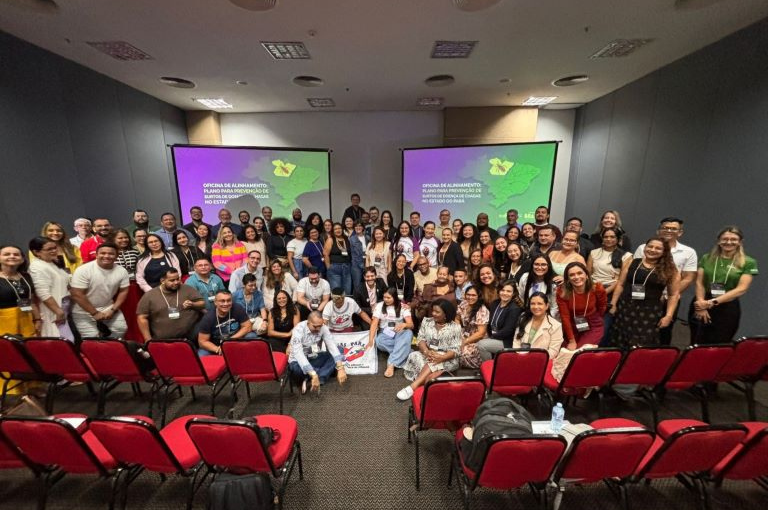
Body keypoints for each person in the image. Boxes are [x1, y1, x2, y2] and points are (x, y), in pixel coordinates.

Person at [634, 217, 698, 345]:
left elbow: (688, 278)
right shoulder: (644, 248)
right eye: (665, 228)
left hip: (669, 300)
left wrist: (667, 295)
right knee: (637, 328)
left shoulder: (689, 252)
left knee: (664, 330)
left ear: (680, 232)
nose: (668, 230)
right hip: (642, 297)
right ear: (659, 231)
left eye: (673, 229)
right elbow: (635, 271)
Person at [690, 226, 758, 345]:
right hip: (702, 303)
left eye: (733, 239)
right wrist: (701, 304)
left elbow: (741, 289)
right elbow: (699, 282)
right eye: (725, 239)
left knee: (720, 343)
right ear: (719, 241)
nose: (728, 242)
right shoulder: (707, 258)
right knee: (697, 342)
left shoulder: (748, 262)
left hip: (727, 306)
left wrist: (712, 302)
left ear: (740, 242)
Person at [610, 238, 680, 349]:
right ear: (645, 247)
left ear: (664, 251)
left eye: (658, 248)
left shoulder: (670, 269)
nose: (652, 250)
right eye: (650, 246)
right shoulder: (631, 261)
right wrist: (613, 303)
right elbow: (620, 284)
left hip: (648, 312)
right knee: (620, 339)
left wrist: (668, 315)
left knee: (642, 343)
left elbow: (673, 295)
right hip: (625, 307)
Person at [398, 299, 462, 400]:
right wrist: (426, 351)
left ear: (446, 314)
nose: (433, 313)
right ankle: (434, 380)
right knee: (414, 355)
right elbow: (420, 339)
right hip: (428, 353)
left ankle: (412, 387)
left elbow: (456, 349)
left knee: (433, 363)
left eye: (437, 312)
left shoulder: (455, 327)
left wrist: (442, 357)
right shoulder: (426, 321)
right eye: (433, 311)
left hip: (447, 358)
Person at [69, 243, 130, 339]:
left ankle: (108, 349)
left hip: (108, 307)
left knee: (120, 329)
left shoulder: (122, 271)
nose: (106, 256)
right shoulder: (83, 270)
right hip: (83, 310)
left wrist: (113, 310)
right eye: (103, 253)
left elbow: (123, 291)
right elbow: (77, 294)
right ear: (96, 255)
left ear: (116, 256)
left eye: (111, 254)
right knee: (91, 337)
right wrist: (95, 313)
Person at [587, 227, 632, 345]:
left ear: (618, 239)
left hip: (611, 292)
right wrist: (592, 289)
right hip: (592, 289)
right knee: (588, 323)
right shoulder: (594, 252)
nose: (608, 239)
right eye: (606, 236)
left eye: (612, 237)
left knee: (604, 327)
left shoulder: (626, 256)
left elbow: (621, 280)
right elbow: (587, 273)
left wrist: (604, 292)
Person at [136, 267, 205, 342]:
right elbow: (142, 317)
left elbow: (202, 303)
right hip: (163, 341)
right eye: (172, 280)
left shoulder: (187, 289)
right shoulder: (150, 295)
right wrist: (148, 339)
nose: (176, 282)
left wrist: (193, 304)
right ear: (162, 281)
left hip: (190, 338)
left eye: (177, 279)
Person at [288, 312, 347, 392]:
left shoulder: (323, 327)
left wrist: (340, 368)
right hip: (298, 362)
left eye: (320, 326)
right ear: (308, 322)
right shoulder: (298, 329)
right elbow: (299, 354)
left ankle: (318, 378)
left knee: (339, 349)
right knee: (295, 369)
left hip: (313, 357)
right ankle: (317, 375)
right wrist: (313, 374)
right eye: (315, 327)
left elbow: (332, 345)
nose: (318, 329)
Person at [362, 287, 412, 378]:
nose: (386, 300)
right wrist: (370, 340)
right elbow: (374, 324)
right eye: (384, 297)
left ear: (395, 297)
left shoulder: (403, 306)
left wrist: (404, 325)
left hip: (399, 333)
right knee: (378, 341)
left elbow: (411, 325)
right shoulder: (380, 306)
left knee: (408, 333)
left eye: (389, 298)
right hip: (385, 333)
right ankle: (405, 351)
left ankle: (391, 364)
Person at [28, 237, 72, 340]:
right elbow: (42, 292)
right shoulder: (37, 267)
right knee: (57, 341)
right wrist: (58, 311)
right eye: (49, 249)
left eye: (55, 248)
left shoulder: (52, 263)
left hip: (63, 307)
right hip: (52, 311)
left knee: (67, 341)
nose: (54, 251)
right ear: (36, 252)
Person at [556, 262, 608, 349]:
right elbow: (565, 317)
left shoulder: (597, 288)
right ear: (568, 279)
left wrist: (594, 318)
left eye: (579, 273)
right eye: (572, 275)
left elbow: (602, 307)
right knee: (565, 351)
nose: (576, 277)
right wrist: (571, 340)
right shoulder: (562, 292)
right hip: (572, 326)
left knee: (580, 351)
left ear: (587, 275)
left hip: (593, 325)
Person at [476, 279, 525, 361]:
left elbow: (508, 331)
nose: (505, 293)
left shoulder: (514, 308)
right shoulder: (495, 303)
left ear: (513, 294)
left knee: (482, 345)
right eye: (502, 290)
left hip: (506, 341)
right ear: (499, 291)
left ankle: (490, 368)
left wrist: (491, 337)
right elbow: (490, 324)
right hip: (494, 337)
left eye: (509, 291)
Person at [196, 290, 254, 356]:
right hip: (217, 345)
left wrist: (230, 340)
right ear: (215, 302)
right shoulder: (208, 318)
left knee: (252, 336)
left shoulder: (237, 308)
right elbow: (202, 342)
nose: (226, 304)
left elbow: (247, 327)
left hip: (236, 339)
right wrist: (218, 349)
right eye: (222, 301)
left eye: (228, 300)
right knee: (201, 354)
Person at [0, 245, 41, 337]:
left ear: (22, 259)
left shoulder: (26, 276)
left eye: (16, 254)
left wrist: (37, 319)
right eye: (6, 254)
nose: (12, 256)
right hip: (4, 323)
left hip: (25, 319)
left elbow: (31, 302)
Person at [512, 292, 564, 359]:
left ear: (547, 306)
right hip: (520, 359)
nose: (536, 307)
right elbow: (516, 342)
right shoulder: (523, 319)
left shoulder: (556, 326)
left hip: (542, 362)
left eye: (540, 304)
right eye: (533, 304)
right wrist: (520, 357)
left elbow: (553, 352)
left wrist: (533, 359)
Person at [112, 229, 143, 342]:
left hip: (134, 287)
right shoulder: (111, 253)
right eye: (120, 238)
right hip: (118, 289)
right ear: (113, 239)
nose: (124, 240)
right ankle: (126, 340)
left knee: (137, 313)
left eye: (125, 237)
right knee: (124, 314)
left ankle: (140, 338)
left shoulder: (134, 252)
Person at [517, 254, 560, 319]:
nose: (539, 267)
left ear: (548, 266)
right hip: (529, 315)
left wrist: (544, 319)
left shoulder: (553, 284)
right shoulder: (525, 278)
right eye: (536, 264)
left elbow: (554, 307)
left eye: (543, 265)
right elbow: (522, 297)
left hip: (548, 318)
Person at [456, 285, 489, 369]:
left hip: (476, 340)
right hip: (463, 334)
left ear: (479, 296)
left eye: (473, 295)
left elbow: (481, 333)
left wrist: (464, 342)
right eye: (468, 294)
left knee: (462, 353)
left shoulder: (482, 310)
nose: (470, 297)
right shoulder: (464, 303)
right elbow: (457, 318)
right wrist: (457, 332)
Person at [324, 222, 353, 295]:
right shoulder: (330, 240)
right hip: (335, 268)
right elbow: (325, 254)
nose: (338, 230)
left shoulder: (346, 239)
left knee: (347, 290)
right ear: (333, 231)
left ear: (342, 229)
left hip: (347, 267)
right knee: (336, 292)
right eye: (335, 229)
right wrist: (329, 267)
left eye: (339, 228)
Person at [348, 220, 368, 292]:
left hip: (367, 263)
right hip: (356, 265)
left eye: (360, 226)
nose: (358, 227)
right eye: (356, 226)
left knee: (367, 284)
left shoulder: (367, 238)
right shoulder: (351, 239)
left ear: (363, 227)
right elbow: (350, 253)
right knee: (357, 285)